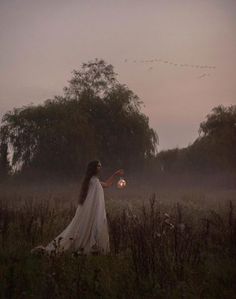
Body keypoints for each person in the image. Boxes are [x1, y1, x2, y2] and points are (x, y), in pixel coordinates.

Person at [30, 160, 124, 256]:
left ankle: (95, 248)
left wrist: (115, 174)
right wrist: (91, 211)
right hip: (92, 212)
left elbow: (107, 184)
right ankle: (82, 248)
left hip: (96, 211)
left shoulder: (95, 181)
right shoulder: (91, 181)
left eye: (100, 166)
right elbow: (90, 199)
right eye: (98, 166)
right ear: (93, 168)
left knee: (97, 227)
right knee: (85, 229)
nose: (100, 168)